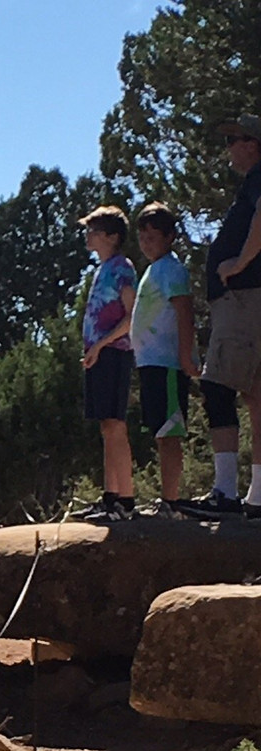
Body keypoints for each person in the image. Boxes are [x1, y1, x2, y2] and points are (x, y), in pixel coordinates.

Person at [179, 112, 261, 520]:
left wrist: (239, 262)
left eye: (235, 140)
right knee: (255, 394)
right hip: (246, 300)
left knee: (217, 387)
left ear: (253, 144)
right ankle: (257, 498)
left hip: (243, 300)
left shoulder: (260, 177)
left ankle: (225, 494)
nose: (228, 148)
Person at [130, 202, 199, 518]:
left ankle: (171, 502)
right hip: (150, 364)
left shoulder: (172, 268)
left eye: (153, 236)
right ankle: (166, 499)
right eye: (142, 236)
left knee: (170, 432)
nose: (146, 243)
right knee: (159, 431)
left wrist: (186, 356)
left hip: (168, 363)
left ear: (170, 236)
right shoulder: (152, 270)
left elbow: (184, 311)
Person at [74, 205, 137, 522]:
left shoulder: (122, 268)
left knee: (115, 424)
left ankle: (125, 499)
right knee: (106, 425)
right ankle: (110, 496)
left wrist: (101, 344)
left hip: (115, 352)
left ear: (112, 236)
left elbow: (131, 317)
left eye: (94, 230)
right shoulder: (102, 269)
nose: (89, 235)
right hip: (99, 354)